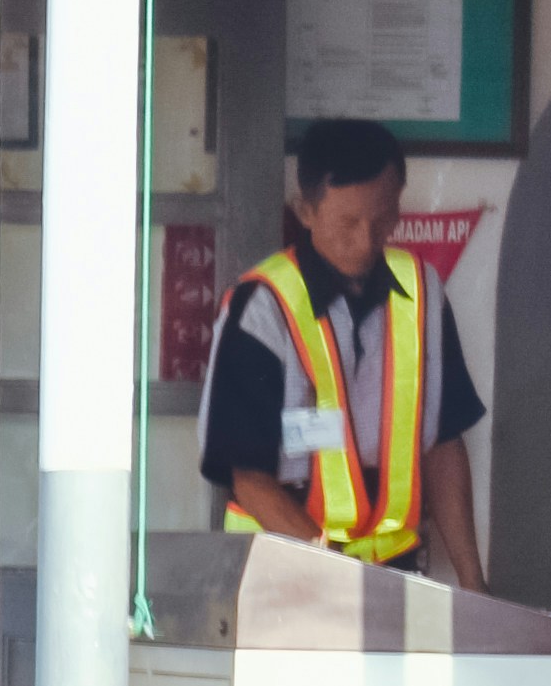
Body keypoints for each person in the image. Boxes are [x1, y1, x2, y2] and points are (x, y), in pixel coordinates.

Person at [201, 114, 485, 589]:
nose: (365, 240)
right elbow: (248, 478)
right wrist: (338, 576)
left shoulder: (422, 292)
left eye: (382, 220)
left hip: (391, 574)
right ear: (305, 211)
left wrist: (475, 586)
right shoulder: (263, 305)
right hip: (280, 570)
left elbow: (443, 444)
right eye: (347, 222)